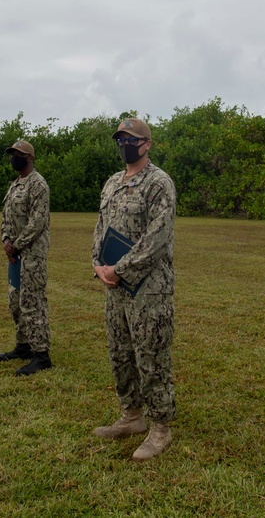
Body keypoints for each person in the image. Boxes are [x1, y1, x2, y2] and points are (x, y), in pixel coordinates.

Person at [92, 117, 177, 461]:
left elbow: (157, 236)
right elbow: (101, 227)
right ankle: (132, 416)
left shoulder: (159, 183)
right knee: (121, 353)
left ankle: (160, 427)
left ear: (147, 144)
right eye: (120, 140)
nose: (124, 145)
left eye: (131, 139)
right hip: (115, 288)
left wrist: (121, 268)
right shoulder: (113, 182)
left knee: (151, 356)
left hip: (149, 289)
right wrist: (98, 266)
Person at [0, 139, 52, 376]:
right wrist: (6, 240)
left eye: (17, 154)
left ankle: (41, 355)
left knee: (32, 302)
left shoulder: (37, 185)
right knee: (16, 301)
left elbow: (37, 222)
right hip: (16, 255)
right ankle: (24, 345)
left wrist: (16, 245)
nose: (13, 157)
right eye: (12, 154)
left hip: (31, 255)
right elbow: (6, 218)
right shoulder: (14, 185)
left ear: (29, 158)